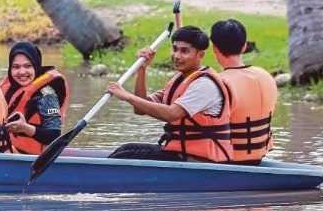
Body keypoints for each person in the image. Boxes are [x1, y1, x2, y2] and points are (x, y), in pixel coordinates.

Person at [105, 25, 233, 162]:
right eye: (174, 49)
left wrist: (127, 96)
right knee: (126, 149)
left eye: (184, 51)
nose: (176, 56)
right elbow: (140, 109)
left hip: (199, 160)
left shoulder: (204, 85)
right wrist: (141, 70)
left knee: (126, 156)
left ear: (200, 55)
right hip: (179, 153)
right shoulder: (179, 81)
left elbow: (171, 114)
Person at [210, 19, 278, 164]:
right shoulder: (266, 76)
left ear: (214, 48)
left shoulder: (219, 83)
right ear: (244, 47)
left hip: (228, 159)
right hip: (258, 156)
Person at [0, 41, 69, 155]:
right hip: (6, 152)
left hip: (33, 160)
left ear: (36, 66)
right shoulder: (7, 87)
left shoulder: (47, 94)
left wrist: (25, 128)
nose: (22, 72)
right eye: (16, 67)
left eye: (28, 66)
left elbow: (54, 136)